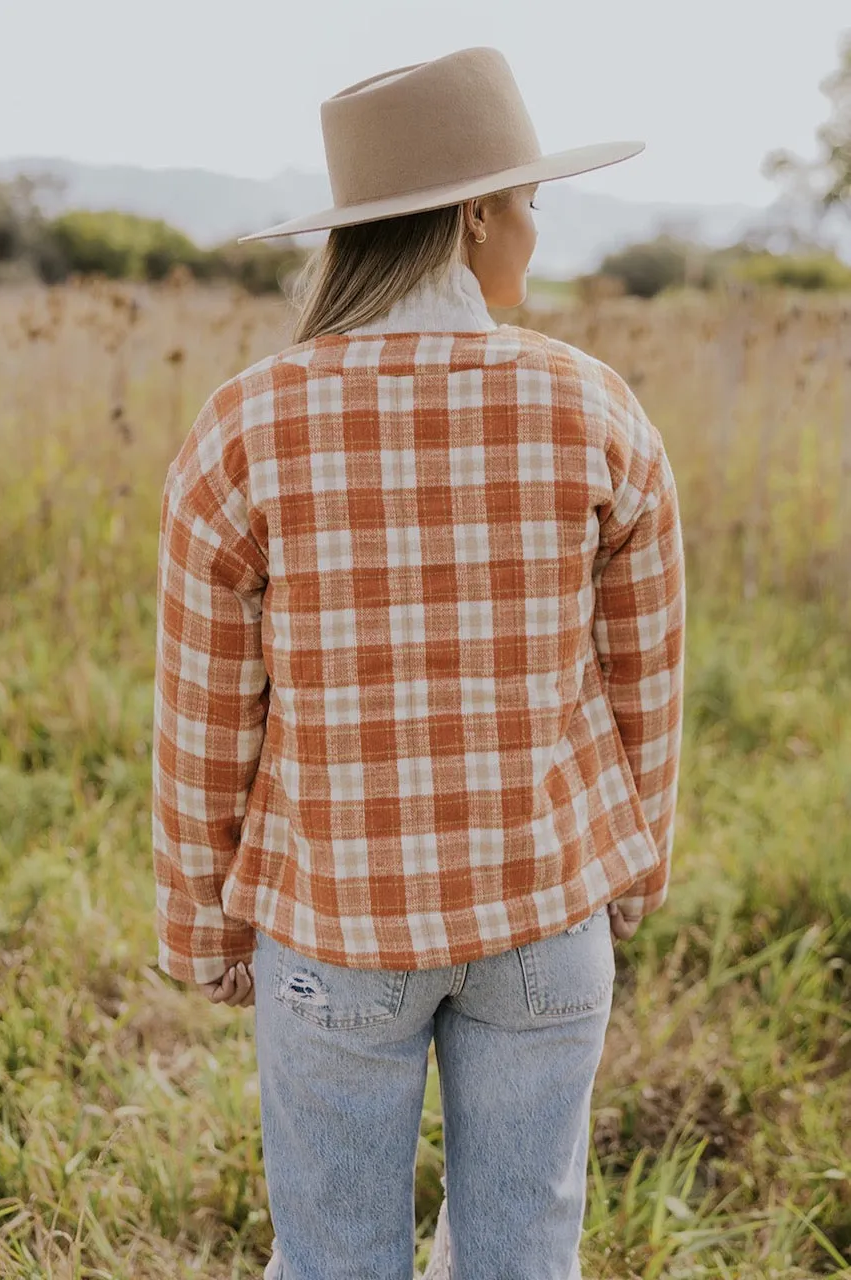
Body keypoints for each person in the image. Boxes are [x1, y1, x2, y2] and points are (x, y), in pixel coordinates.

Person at [151, 45, 686, 1280]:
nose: (534, 234)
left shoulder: (246, 423)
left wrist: (202, 921)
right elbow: (641, 679)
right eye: (530, 204)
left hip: (333, 927)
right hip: (546, 914)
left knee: (334, 1259)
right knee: (520, 1254)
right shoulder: (592, 406)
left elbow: (204, 713)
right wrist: (632, 864)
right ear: (477, 213)